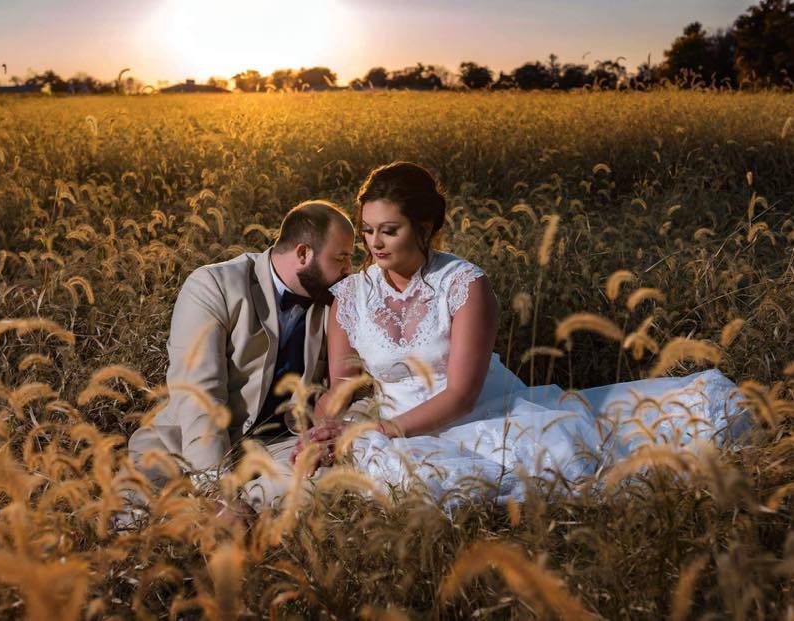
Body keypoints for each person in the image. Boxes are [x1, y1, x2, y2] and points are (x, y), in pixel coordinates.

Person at [294, 161, 748, 506]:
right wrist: (325, 430)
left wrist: (380, 430)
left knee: (538, 467)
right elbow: (342, 388)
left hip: (481, 414)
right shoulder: (351, 296)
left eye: (389, 231)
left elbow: (461, 396)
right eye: (369, 230)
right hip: (392, 424)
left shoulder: (465, 285)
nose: (375, 243)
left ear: (425, 228)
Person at [125, 199, 354, 523]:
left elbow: (353, 383)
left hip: (278, 445)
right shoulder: (213, 286)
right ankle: (219, 517)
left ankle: (229, 521)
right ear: (303, 253)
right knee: (134, 518)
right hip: (185, 446)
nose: (349, 271)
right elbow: (199, 398)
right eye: (341, 258)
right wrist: (216, 493)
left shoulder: (336, 302)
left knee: (328, 483)